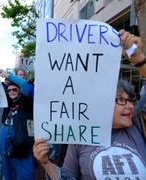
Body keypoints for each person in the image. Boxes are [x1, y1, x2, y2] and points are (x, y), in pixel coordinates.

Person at [33, 31, 146, 179]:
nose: (131, 106)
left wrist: (138, 57)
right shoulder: (81, 138)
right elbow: (67, 177)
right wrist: (46, 163)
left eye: (131, 100)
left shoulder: (139, 125)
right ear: (101, 103)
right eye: (121, 100)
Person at [0, 82, 34, 180]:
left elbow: (24, 85)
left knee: (24, 168)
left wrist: (8, 75)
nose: (11, 92)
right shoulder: (7, 102)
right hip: (5, 134)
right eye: (9, 90)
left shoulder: (26, 101)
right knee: (6, 164)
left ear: (19, 90)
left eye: (14, 89)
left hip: (20, 137)